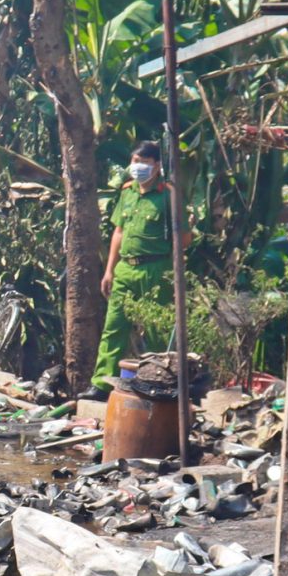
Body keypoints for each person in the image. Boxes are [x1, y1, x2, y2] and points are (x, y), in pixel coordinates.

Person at [89, 141, 174, 395]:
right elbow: (118, 231)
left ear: (156, 166)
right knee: (114, 327)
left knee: (158, 329)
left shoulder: (168, 196)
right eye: (135, 161)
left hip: (156, 268)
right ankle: (101, 384)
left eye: (144, 163)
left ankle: (162, 383)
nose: (138, 167)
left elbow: (184, 237)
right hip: (126, 269)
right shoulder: (128, 192)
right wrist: (109, 270)